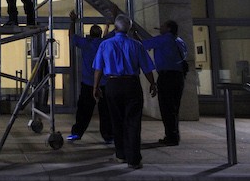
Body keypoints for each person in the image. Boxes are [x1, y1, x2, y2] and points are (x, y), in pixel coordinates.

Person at [93, 14, 157, 169]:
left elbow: (98, 68)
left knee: (116, 120)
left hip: (113, 84)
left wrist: (95, 87)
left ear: (115, 28)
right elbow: (146, 67)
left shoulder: (105, 45)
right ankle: (134, 159)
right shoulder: (137, 45)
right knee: (133, 121)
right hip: (132, 84)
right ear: (129, 29)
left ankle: (120, 154)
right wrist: (153, 83)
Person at [67, 11, 113, 143]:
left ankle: (77, 133)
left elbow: (71, 36)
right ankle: (108, 135)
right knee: (106, 111)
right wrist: (110, 22)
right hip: (104, 83)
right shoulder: (105, 43)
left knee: (84, 110)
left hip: (88, 83)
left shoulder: (86, 43)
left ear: (90, 34)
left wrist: (73, 22)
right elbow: (114, 33)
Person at [140, 20, 187, 146]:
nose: (160, 27)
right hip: (178, 77)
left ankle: (171, 136)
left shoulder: (163, 39)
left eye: (163, 26)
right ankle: (174, 135)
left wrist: (134, 36)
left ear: (169, 29)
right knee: (174, 108)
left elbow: (142, 45)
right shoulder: (180, 41)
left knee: (166, 108)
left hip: (167, 77)